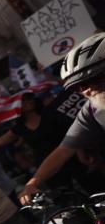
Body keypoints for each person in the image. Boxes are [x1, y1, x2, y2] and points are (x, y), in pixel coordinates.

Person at [20, 33, 105, 204]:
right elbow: (64, 150)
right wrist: (33, 183)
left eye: (89, 81)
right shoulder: (91, 111)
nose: (84, 91)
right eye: (77, 87)